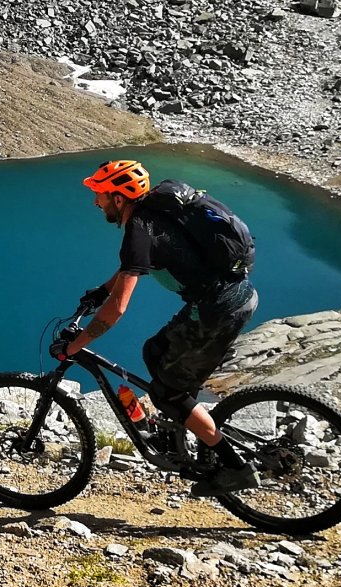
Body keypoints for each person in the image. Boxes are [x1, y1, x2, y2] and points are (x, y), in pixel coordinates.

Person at [62, 159, 261, 496]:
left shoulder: (139, 229)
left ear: (119, 198)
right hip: (233, 297)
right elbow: (135, 266)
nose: (96, 202)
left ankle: (235, 468)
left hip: (218, 309)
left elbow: (118, 310)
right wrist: (102, 289)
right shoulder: (155, 212)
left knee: (167, 392)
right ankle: (183, 425)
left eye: (100, 194)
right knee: (155, 352)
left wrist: (75, 346)